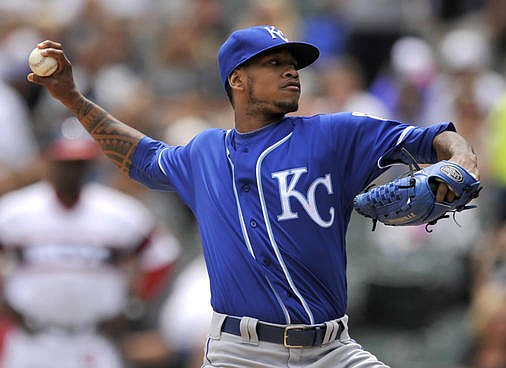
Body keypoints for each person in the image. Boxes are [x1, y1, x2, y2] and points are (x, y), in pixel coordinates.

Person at [27, 25, 479, 367]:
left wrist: (459, 163)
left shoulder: (335, 135)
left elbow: (438, 138)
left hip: (331, 351)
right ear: (237, 80)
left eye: (293, 64)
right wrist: (72, 97)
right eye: (273, 63)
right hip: (240, 354)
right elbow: (138, 157)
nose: (290, 71)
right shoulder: (204, 152)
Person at [0, 134, 181, 367]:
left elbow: (161, 255)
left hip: (94, 339)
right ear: (49, 161)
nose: (72, 171)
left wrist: (133, 307)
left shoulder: (118, 212)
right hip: (33, 336)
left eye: (79, 164)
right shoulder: (17, 210)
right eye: (66, 164)